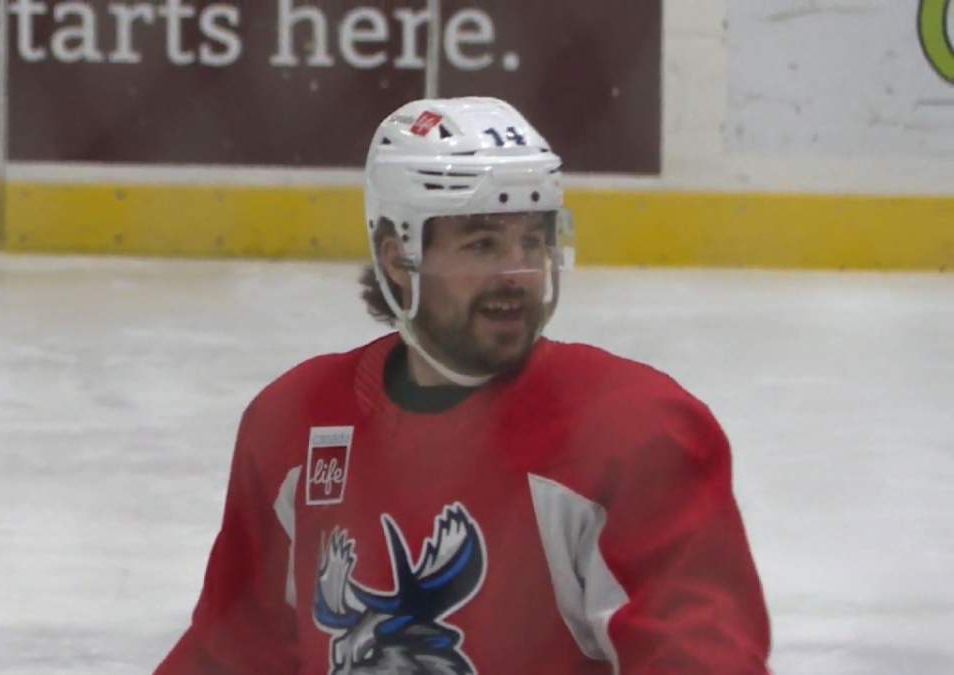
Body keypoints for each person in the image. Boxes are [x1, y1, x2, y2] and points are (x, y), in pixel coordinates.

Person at [153, 97, 771, 674]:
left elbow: (699, 655)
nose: (517, 274)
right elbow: (233, 652)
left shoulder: (634, 431)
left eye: (532, 240)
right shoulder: (296, 422)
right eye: (482, 244)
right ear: (399, 257)